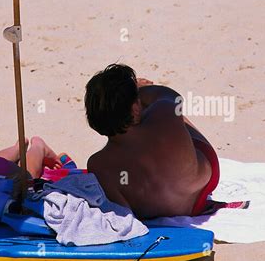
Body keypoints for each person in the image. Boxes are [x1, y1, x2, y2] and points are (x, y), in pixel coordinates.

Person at [86, 65, 221, 218]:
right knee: (171, 112)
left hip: (156, 212)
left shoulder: (98, 165)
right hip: (199, 190)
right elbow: (171, 96)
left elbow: (122, 210)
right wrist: (139, 89)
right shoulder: (163, 114)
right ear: (135, 108)